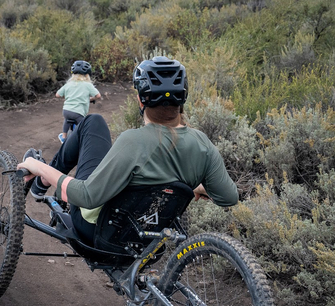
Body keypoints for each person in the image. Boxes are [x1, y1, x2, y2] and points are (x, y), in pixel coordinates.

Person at [19, 56, 238, 245]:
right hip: (149, 241)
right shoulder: (202, 144)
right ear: (183, 98)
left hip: (99, 233)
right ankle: (44, 181)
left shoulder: (132, 141)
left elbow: (86, 196)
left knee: (93, 122)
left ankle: (43, 181)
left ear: (140, 99)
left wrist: (39, 167)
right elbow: (229, 197)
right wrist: (194, 186)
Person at [55, 60, 101, 143]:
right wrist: (91, 99)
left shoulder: (68, 84)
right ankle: (82, 141)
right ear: (87, 75)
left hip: (66, 111)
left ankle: (64, 137)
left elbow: (57, 95)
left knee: (67, 120)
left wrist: (69, 97)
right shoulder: (88, 85)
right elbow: (98, 96)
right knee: (83, 127)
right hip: (79, 113)